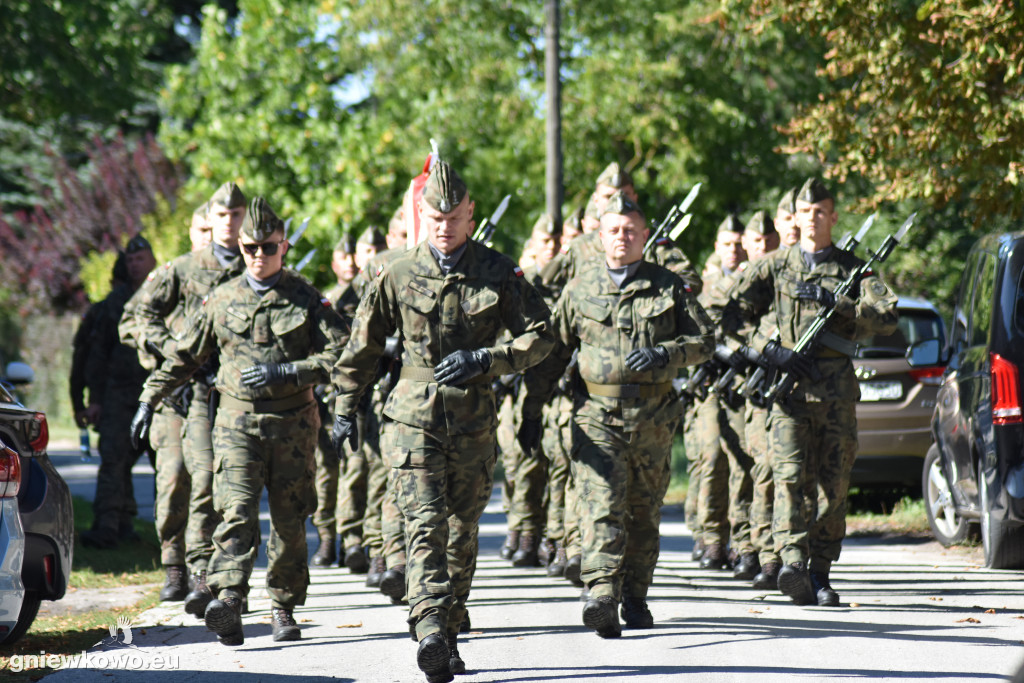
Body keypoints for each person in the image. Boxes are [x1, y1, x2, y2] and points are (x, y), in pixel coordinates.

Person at [330, 160, 553, 683]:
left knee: (461, 530)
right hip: (412, 418)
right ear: (420, 215)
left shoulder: (499, 272)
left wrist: (489, 360)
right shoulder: (396, 272)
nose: (443, 225)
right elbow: (361, 346)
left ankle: (449, 626)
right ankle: (429, 627)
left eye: (453, 216)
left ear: (470, 213)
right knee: (424, 525)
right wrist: (344, 405)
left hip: (474, 420)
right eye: (434, 216)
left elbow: (540, 336)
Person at [131, 196, 349, 645]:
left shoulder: (306, 298)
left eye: (268, 247)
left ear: (283, 245)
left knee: (290, 520)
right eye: (251, 248)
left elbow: (341, 354)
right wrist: (149, 398)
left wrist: (290, 371)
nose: (259, 256)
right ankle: (229, 598)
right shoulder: (221, 298)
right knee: (236, 512)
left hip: (292, 426)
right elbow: (184, 355)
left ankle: (283, 608)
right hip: (236, 425)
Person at [520, 191, 714, 637]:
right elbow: (553, 353)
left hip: (653, 419)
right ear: (599, 237)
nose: (621, 238)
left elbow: (705, 341)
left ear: (645, 236)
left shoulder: (668, 286)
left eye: (630, 231)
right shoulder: (580, 288)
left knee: (643, 512)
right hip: (597, 416)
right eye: (613, 231)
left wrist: (666, 353)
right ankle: (601, 593)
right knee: (601, 504)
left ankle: (635, 594)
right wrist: (533, 408)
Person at [720, 177, 898, 606]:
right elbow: (727, 315)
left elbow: (887, 318)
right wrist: (768, 351)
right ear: (796, 219)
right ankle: (793, 564)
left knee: (833, 486)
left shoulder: (853, 269)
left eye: (821, 212)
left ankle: (821, 571)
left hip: (835, 395)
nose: (813, 219)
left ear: (833, 217)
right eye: (806, 212)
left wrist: (837, 302)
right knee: (789, 480)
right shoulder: (774, 265)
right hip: (789, 395)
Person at [120, 183, 248, 617]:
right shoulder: (183, 269)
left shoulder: (255, 263)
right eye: (219, 218)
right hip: (180, 392)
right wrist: (175, 348)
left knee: (214, 482)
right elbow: (135, 317)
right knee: (176, 477)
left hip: (231, 393)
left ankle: (206, 571)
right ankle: (175, 563)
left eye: (237, 215)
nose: (227, 225)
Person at [80, 236, 156, 550]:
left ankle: (173, 537)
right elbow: (98, 354)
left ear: (153, 260)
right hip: (119, 394)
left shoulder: (166, 292)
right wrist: (94, 400)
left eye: (140, 259)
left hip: (162, 394)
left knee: (169, 467)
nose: (134, 265)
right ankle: (109, 527)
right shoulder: (116, 302)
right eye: (131, 261)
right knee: (113, 460)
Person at [500, 214, 562, 568]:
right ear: (533, 245)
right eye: (545, 242)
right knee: (518, 459)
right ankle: (520, 527)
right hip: (517, 384)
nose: (551, 248)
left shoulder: (565, 285)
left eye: (556, 242)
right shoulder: (521, 283)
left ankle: (541, 534)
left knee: (551, 460)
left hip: (554, 382)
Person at [687, 215, 748, 570]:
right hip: (710, 385)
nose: (734, 251)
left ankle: (740, 539)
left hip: (743, 384)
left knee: (742, 460)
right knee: (710, 457)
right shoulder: (704, 286)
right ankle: (711, 537)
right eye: (728, 244)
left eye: (740, 244)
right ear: (717, 247)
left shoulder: (757, 280)